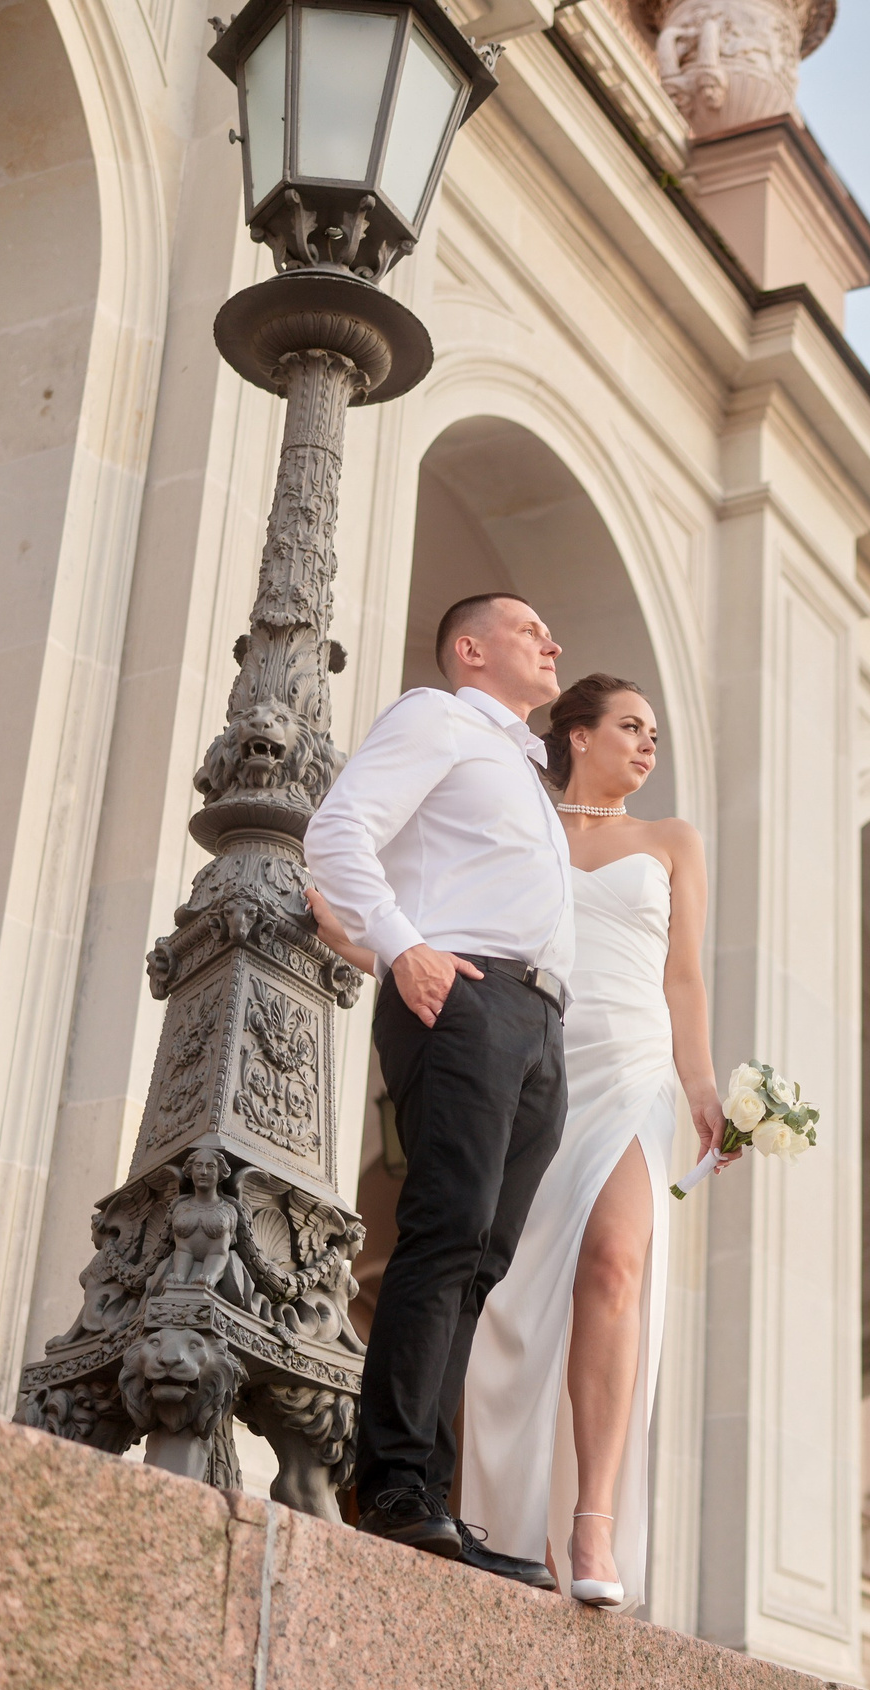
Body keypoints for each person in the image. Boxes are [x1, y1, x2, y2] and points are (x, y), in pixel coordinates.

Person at [300, 593, 575, 1591]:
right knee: (447, 1233)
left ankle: (438, 1501)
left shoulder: (525, 770)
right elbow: (338, 832)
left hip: (540, 1023)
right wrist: (399, 944)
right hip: (462, 997)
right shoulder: (438, 717)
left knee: (482, 1265)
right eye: (527, 628)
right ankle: (398, 1491)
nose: (551, 641)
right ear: (471, 650)